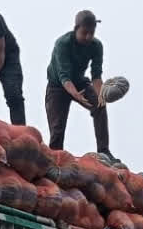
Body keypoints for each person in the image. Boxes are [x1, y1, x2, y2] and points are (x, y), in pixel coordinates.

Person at [45, 10, 113, 159]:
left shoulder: (96, 46)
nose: (88, 37)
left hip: (79, 81)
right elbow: (64, 77)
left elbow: (96, 76)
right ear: (76, 29)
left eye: (91, 33)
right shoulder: (63, 44)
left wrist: (102, 95)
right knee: (57, 129)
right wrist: (75, 94)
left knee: (99, 105)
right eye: (84, 33)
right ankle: (56, 158)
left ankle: (104, 151)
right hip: (58, 86)